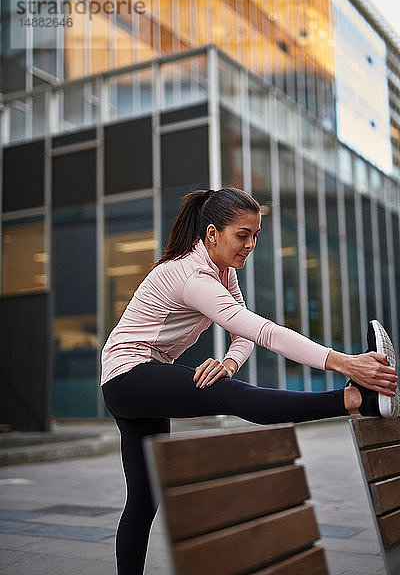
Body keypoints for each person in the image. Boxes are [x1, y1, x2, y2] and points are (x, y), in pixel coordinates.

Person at [101, 187, 399, 575]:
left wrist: (228, 361)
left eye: (255, 235)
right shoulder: (194, 276)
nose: (251, 244)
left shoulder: (222, 272)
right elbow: (264, 332)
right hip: (129, 374)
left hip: (139, 376)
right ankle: (355, 400)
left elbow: (241, 334)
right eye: (242, 235)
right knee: (227, 396)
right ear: (212, 234)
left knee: (144, 499)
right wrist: (344, 363)